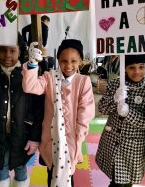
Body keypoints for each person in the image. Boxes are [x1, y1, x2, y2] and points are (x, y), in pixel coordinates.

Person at [0, 33, 44, 187]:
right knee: (1, 169)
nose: (7, 55)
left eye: (12, 50)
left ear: (20, 51)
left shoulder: (30, 73)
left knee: (21, 168)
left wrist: (35, 137)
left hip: (22, 134)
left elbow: (38, 109)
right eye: (2, 50)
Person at [22, 39, 95, 187]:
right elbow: (30, 87)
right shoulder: (49, 77)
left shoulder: (83, 81)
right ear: (58, 60)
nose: (68, 65)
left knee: (67, 175)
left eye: (74, 61)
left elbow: (85, 113)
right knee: (52, 173)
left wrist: (78, 140)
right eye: (64, 61)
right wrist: (32, 64)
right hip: (50, 139)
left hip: (72, 141)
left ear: (81, 61)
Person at [96, 54, 145, 187]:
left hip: (133, 147)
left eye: (141, 67)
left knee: (126, 182)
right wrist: (114, 99)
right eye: (131, 67)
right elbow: (102, 109)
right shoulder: (115, 84)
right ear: (125, 69)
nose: (137, 71)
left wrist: (128, 113)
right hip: (111, 141)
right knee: (116, 179)